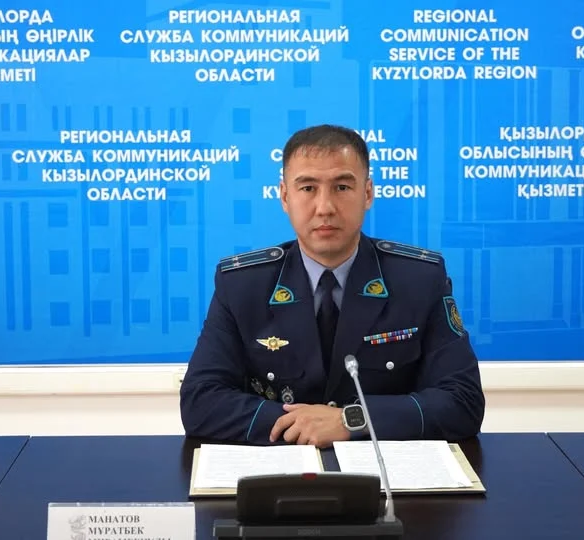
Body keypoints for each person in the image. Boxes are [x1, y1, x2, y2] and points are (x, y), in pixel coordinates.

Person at [180, 124, 485, 447]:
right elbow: (200, 402)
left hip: (383, 471)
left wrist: (352, 420)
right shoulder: (242, 285)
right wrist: (305, 425)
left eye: (342, 187)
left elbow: (462, 401)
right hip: (280, 470)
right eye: (308, 188)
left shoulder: (419, 280)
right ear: (285, 196)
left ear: (367, 193)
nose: (325, 207)